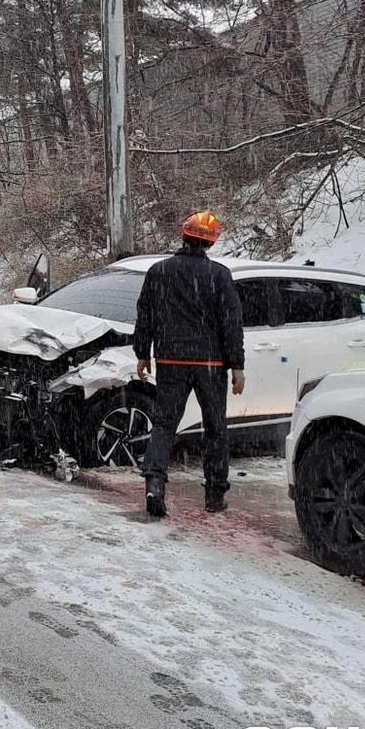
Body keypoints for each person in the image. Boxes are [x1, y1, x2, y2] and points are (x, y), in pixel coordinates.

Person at [132, 211, 246, 518]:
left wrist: (142, 353)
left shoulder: (159, 271)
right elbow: (231, 323)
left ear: (184, 235)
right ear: (211, 243)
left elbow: (145, 315)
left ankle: (154, 484)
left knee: (165, 425)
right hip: (210, 363)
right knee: (215, 428)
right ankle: (215, 494)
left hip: (170, 360)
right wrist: (237, 366)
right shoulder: (219, 275)